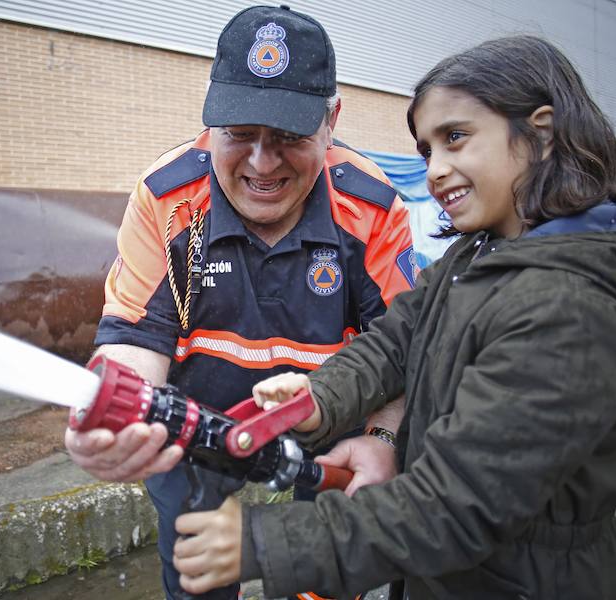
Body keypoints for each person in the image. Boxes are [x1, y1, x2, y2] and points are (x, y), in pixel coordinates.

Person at [170, 35, 616, 599]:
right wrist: (319, 398)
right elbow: (395, 340)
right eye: (427, 150)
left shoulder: (569, 308)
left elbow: (455, 506)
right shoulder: (474, 255)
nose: (435, 170)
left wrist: (262, 542)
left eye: (455, 138)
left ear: (541, 134)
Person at [65, 5, 416, 599]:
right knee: (197, 573)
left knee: (324, 575)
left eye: (288, 136)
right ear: (209, 115)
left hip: (330, 418)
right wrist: (110, 420)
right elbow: (132, 340)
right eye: (239, 133)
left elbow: (406, 348)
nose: (261, 162)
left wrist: (383, 443)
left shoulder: (373, 208)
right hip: (196, 422)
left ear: (332, 119)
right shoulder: (167, 198)